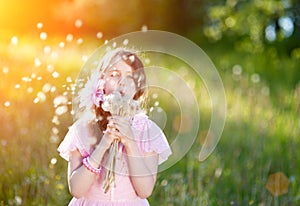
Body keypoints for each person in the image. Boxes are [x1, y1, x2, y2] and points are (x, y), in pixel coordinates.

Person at [57, 48, 172, 205]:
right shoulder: (83, 129)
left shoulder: (147, 132)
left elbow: (144, 191)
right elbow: (77, 190)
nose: (121, 82)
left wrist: (130, 142)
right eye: (114, 74)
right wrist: (104, 143)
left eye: (130, 77)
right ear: (101, 82)